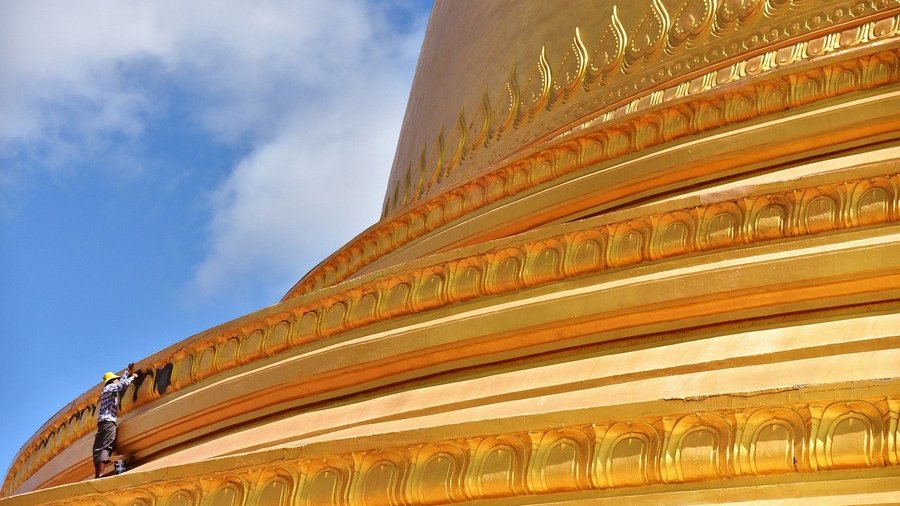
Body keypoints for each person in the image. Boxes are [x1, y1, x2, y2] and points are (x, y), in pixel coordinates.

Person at [92, 363, 135, 478]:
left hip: (105, 422)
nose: (118, 380)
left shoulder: (108, 389)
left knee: (104, 446)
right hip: (108, 422)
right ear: (112, 381)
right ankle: (100, 474)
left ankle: (101, 473)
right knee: (104, 446)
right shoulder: (109, 388)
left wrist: (127, 372)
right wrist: (132, 377)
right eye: (116, 379)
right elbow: (121, 385)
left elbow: (120, 383)